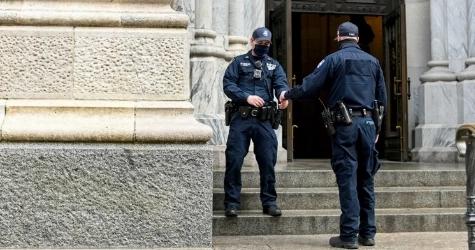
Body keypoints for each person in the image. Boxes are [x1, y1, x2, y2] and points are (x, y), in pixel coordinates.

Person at [279, 22, 387, 249]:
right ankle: (368, 234)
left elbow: (309, 88)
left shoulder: (332, 60)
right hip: (368, 124)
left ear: (339, 37)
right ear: (357, 38)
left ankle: (348, 236)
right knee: (366, 178)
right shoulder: (374, 62)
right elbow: (382, 99)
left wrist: (287, 94)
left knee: (347, 177)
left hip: (346, 125)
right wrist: (377, 128)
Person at [223, 27, 289, 218]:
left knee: (268, 162)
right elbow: (228, 85)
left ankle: (269, 202)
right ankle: (232, 203)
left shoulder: (274, 65)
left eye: (267, 44)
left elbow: (281, 84)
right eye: (260, 43)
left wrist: (283, 96)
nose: (263, 46)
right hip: (241, 119)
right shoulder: (238, 62)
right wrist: (247, 97)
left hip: (264, 121)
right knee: (234, 161)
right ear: (251, 41)